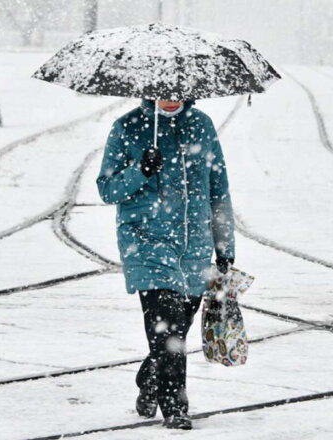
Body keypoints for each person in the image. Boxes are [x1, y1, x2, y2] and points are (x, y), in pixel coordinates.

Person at [96, 98, 235, 430]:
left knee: (177, 330)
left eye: (177, 90)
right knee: (168, 328)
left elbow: (219, 190)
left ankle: (150, 377)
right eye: (163, 90)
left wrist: (224, 245)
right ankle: (175, 406)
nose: (170, 96)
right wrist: (140, 171)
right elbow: (107, 189)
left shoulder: (201, 124)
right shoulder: (127, 127)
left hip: (195, 247)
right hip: (146, 244)